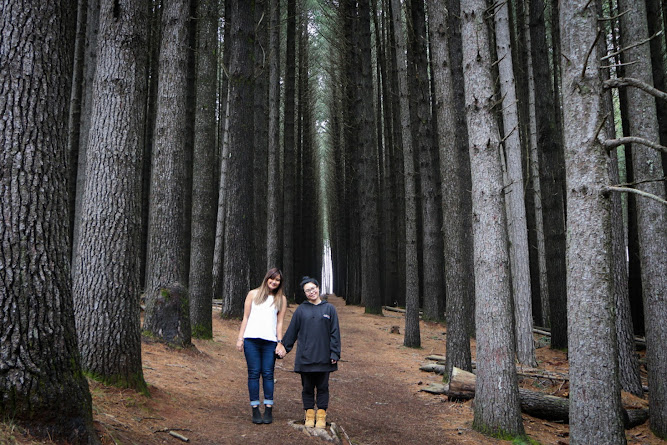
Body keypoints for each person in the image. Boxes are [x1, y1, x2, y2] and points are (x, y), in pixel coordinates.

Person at [276, 276, 341, 429]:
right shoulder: (301, 310)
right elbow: (292, 331)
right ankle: (309, 414)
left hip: (324, 357)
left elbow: (335, 333)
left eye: (313, 289)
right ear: (304, 293)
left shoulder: (329, 309)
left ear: (318, 288)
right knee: (307, 387)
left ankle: (321, 415)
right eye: (307, 291)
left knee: (323, 387)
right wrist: (284, 347)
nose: (311, 292)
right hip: (305, 357)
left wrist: (335, 353)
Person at [236, 268, 288, 424]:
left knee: (267, 373)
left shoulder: (281, 299)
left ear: (280, 283)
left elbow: (279, 322)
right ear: (267, 279)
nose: (274, 282)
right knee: (253, 373)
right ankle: (255, 409)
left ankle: (268, 408)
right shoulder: (253, 294)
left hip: (269, 342)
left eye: (278, 280)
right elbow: (245, 317)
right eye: (272, 279)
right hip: (251, 339)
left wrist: (279, 342)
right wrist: (240, 338)